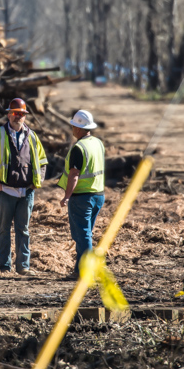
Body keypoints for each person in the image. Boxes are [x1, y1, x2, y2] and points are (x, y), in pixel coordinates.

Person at [0, 98, 48, 276]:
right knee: (4, 229)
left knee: (23, 230)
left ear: (25, 116)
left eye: (20, 114)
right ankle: (4, 267)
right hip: (6, 191)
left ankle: (23, 267)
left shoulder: (32, 136)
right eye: (14, 113)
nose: (17, 116)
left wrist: (37, 182)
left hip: (26, 192)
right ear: (8, 114)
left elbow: (42, 161)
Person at [58, 110, 105, 278]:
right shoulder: (98, 143)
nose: (72, 128)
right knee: (85, 233)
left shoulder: (79, 148)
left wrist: (67, 196)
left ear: (78, 128)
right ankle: (79, 270)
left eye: (73, 125)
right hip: (98, 195)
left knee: (83, 235)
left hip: (82, 197)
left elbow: (74, 175)